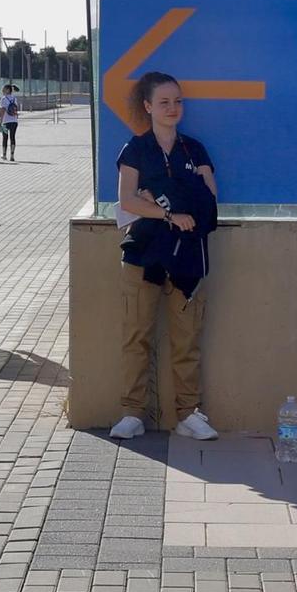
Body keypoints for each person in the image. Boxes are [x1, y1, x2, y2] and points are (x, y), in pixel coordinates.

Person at [109, 73, 220, 442]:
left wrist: (154, 198)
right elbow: (127, 201)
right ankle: (131, 413)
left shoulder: (195, 150)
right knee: (135, 337)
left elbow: (209, 201)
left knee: (186, 340)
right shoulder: (135, 149)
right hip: (143, 255)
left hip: (187, 259)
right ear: (147, 107)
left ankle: (189, 414)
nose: (173, 109)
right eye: (164, 103)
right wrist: (169, 212)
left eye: (178, 102)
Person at [0, 84, 21, 161]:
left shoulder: (4, 99)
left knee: (5, 137)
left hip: (5, 121)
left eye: (4, 89)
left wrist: (0, 121)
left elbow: (2, 110)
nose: (2, 90)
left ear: (8, 90)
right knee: (12, 137)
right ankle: (12, 155)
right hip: (14, 121)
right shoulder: (14, 98)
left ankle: (4, 154)